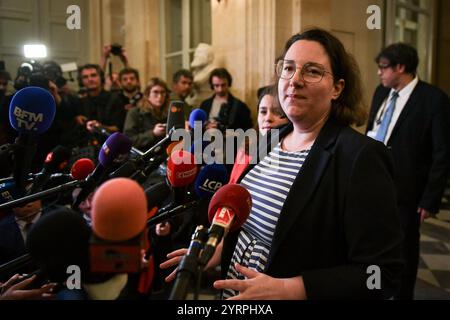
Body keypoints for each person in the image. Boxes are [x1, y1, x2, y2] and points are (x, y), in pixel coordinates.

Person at [161, 28, 404, 300]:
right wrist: (215, 252)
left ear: (337, 88)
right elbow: (250, 224)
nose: (294, 80)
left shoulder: (361, 156)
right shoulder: (271, 139)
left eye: (312, 71)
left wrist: (291, 289)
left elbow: (382, 273)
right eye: (288, 68)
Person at [366, 43, 450, 300]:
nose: (379, 74)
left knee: (403, 249)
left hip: (407, 191)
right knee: (371, 242)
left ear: (400, 67)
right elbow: (372, 130)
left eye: (383, 68)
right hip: (372, 182)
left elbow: (443, 153)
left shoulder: (434, 100)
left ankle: (402, 295)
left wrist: (429, 198)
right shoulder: (381, 92)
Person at [229, 84, 289, 183]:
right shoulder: (246, 146)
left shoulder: (293, 154)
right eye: (263, 112)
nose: (268, 118)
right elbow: (232, 184)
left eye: (277, 112)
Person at [123, 78, 169, 150]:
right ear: (148, 95)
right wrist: (153, 134)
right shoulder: (135, 113)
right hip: (143, 157)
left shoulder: (169, 113)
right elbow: (128, 141)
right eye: (155, 92)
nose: (159, 96)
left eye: (162, 92)